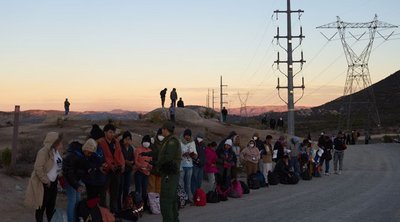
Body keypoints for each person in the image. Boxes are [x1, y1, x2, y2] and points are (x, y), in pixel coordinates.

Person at [25, 132, 63, 222]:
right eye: (59, 142)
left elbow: (58, 165)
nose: (61, 144)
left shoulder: (56, 151)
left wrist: (58, 177)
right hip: (44, 184)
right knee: (41, 208)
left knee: (50, 208)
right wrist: (46, 180)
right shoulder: (43, 152)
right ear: (54, 142)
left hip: (53, 183)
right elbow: (38, 168)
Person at [98, 123, 125, 213]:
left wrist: (122, 164)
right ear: (105, 132)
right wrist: (108, 165)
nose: (112, 134)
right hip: (106, 171)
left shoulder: (116, 142)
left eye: (113, 132)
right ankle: (104, 213)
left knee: (114, 193)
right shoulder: (101, 142)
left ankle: (114, 212)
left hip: (116, 170)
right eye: (110, 132)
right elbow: (101, 157)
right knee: (103, 193)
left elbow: (120, 154)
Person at [157, 122, 181, 222]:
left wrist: (157, 163)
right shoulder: (168, 140)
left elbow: (168, 157)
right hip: (170, 174)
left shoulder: (172, 141)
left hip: (169, 175)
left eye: (162, 129)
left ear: (166, 129)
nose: (161, 131)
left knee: (166, 201)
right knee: (172, 201)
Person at [62, 141, 85, 222]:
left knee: (77, 200)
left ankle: (76, 219)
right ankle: (71, 220)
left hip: (76, 181)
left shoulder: (77, 155)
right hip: (71, 182)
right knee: (72, 201)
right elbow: (69, 175)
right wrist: (77, 185)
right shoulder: (72, 157)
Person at [134, 135, 153, 209]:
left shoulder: (150, 151)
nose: (146, 143)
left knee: (145, 190)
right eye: (145, 141)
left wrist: (150, 166)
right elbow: (135, 161)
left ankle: (144, 206)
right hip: (139, 172)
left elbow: (151, 161)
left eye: (148, 141)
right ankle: (138, 206)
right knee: (138, 190)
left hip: (146, 173)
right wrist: (141, 166)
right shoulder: (138, 150)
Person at [179, 129, 197, 202]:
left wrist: (193, 155)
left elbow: (195, 154)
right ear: (184, 135)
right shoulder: (179, 142)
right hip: (181, 165)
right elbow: (177, 153)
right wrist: (183, 154)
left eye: (189, 136)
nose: (187, 137)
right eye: (186, 135)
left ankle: (188, 198)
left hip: (189, 166)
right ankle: (181, 198)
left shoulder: (192, 142)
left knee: (188, 184)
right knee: (181, 184)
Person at [119, 131, 135, 209]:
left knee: (126, 188)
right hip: (122, 171)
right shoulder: (120, 147)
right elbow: (120, 158)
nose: (127, 141)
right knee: (120, 188)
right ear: (123, 139)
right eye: (126, 139)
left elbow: (133, 158)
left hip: (128, 171)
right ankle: (118, 205)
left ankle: (125, 204)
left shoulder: (131, 148)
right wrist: (126, 161)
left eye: (129, 139)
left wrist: (132, 162)